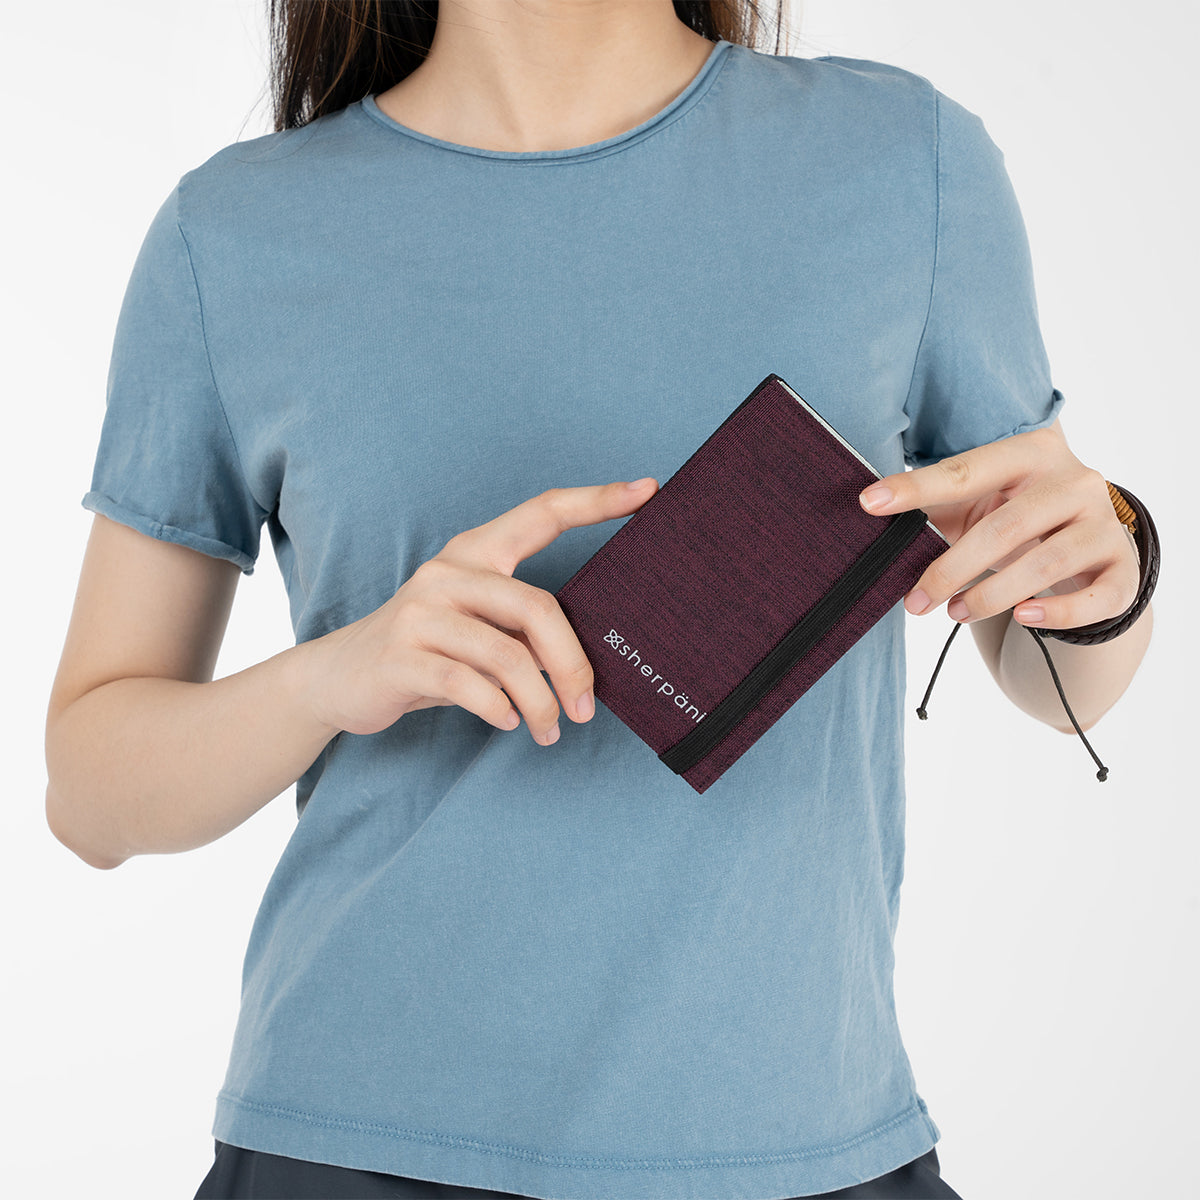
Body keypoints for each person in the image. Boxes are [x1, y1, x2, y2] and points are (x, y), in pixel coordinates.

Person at [44, 1, 1154, 1197]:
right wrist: (334, 676)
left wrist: (1110, 563)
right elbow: (90, 797)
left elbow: (1056, 678)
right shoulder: (233, 235)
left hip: (796, 1145)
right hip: (355, 1144)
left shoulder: (906, 163)